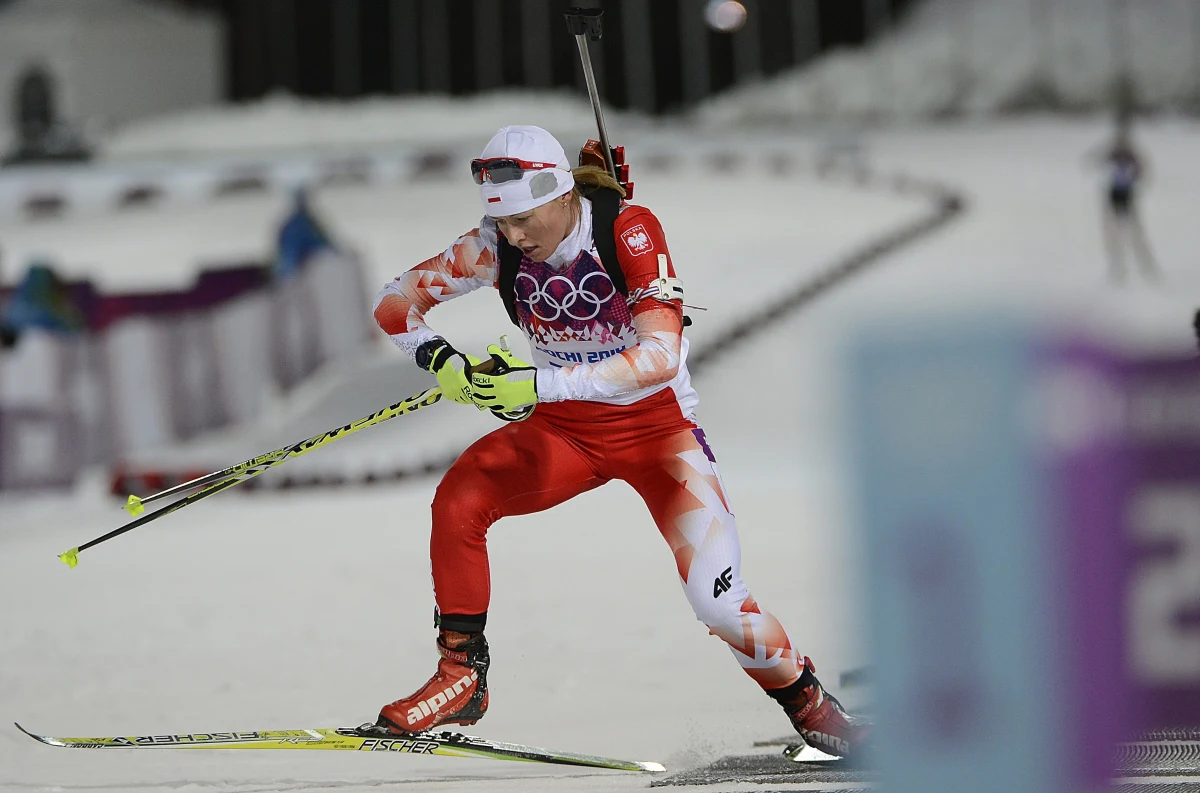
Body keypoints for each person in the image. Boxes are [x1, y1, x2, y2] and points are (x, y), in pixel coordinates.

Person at [370, 125, 869, 758]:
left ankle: (812, 706)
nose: (514, 236)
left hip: (659, 435)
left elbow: (661, 356)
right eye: (502, 221)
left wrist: (538, 384)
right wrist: (441, 360)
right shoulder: (493, 246)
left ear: (562, 195)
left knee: (718, 604)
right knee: (458, 501)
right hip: (566, 432)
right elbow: (394, 302)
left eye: (523, 219)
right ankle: (462, 675)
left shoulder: (628, 230)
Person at [1091, 119, 1158, 282]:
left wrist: (1136, 177)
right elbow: (1095, 161)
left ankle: (1146, 266)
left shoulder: (1131, 155)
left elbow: (1143, 170)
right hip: (1114, 195)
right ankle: (1118, 268)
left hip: (1126, 195)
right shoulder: (1113, 153)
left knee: (1134, 232)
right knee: (1114, 233)